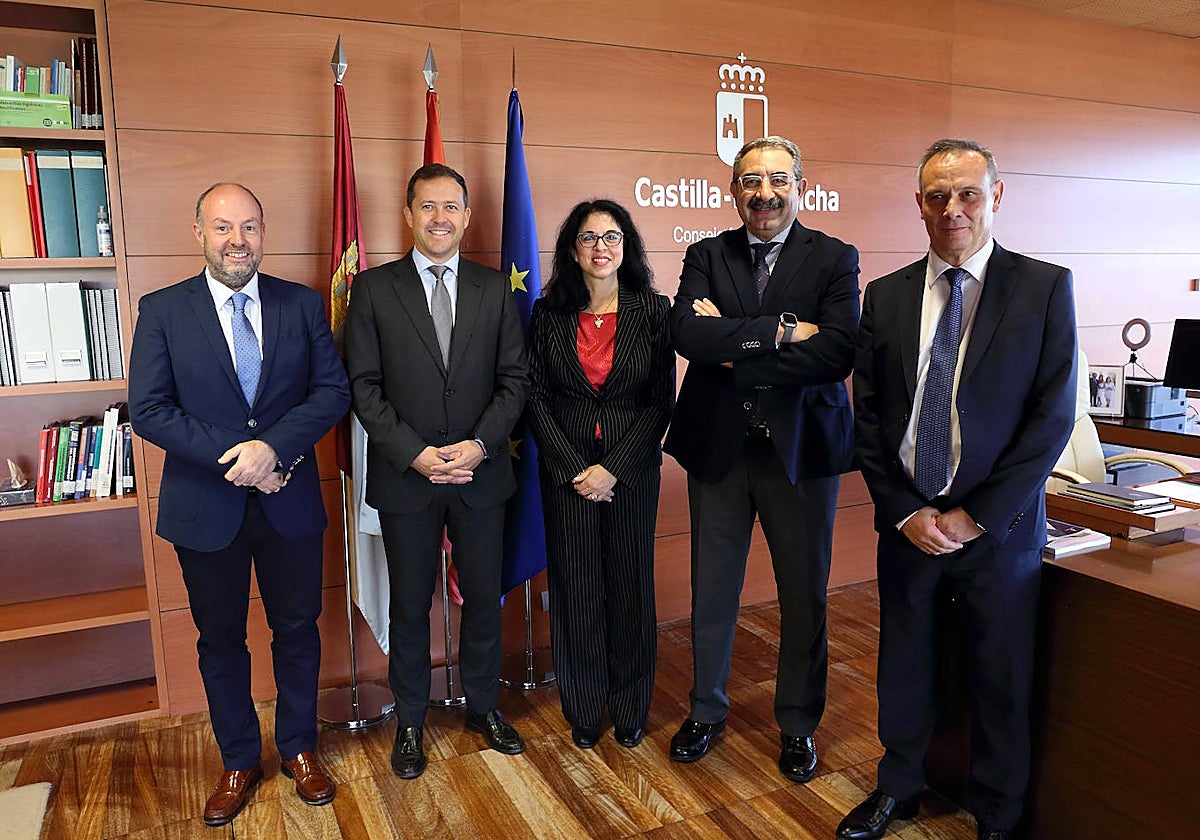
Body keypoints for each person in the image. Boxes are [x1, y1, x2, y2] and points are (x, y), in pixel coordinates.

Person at [841, 139, 1076, 840]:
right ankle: (900, 788)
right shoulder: (883, 297)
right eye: (937, 196)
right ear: (918, 204)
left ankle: (998, 816)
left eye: (968, 193)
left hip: (997, 533)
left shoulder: (1043, 287)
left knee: (1000, 678)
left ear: (995, 197)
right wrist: (905, 512)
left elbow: (1051, 418)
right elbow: (872, 416)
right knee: (905, 663)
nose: (953, 210)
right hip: (909, 526)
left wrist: (978, 517)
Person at [128, 183, 349, 825]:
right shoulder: (163, 310)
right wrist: (245, 459)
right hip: (207, 508)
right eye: (223, 227)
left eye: (249, 227)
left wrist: (273, 452)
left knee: (298, 630)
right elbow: (150, 411)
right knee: (220, 638)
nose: (237, 241)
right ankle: (238, 759)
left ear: (262, 231)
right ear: (198, 231)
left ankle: (301, 750)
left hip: (290, 500)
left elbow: (332, 392)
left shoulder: (301, 305)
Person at [663, 136, 861, 782]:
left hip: (801, 453)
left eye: (777, 179)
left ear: (800, 184)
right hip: (719, 449)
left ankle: (798, 723)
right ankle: (706, 710)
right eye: (751, 181)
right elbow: (687, 334)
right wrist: (780, 331)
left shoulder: (834, 259)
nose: (764, 193)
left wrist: (733, 343)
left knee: (804, 596)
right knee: (712, 590)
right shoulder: (705, 253)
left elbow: (835, 354)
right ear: (734, 192)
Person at [343, 163, 529, 780]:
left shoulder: (496, 289)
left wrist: (478, 446)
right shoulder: (372, 290)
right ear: (408, 214)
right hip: (408, 477)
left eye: (451, 207)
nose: (440, 218)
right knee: (409, 606)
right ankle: (413, 722)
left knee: (482, 599)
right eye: (427, 206)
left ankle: (483, 709)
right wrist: (415, 453)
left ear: (468, 216)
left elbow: (514, 382)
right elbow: (363, 388)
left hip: (481, 476)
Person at [526, 199, 675, 750]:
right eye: (589, 238)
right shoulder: (548, 314)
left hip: (631, 474)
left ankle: (632, 706)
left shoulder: (654, 311)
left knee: (631, 587)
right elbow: (535, 399)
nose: (600, 248)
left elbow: (661, 403)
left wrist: (612, 469)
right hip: (565, 477)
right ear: (572, 249)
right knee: (576, 587)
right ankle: (586, 708)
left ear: (627, 247)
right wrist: (574, 470)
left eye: (611, 237)